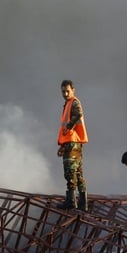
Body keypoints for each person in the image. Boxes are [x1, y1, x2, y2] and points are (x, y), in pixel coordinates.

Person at [56, 79, 89, 211]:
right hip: (73, 143)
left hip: (72, 143)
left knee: (70, 173)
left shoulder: (74, 102)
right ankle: (83, 204)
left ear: (73, 90)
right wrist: (62, 146)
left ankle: (71, 202)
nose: (65, 94)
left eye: (67, 91)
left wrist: (68, 127)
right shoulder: (68, 103)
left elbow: (78, 114)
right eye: (63, 91)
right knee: (78, 173)